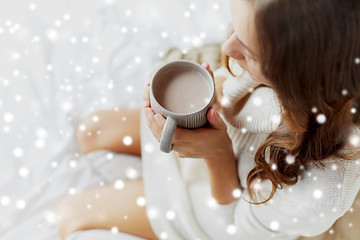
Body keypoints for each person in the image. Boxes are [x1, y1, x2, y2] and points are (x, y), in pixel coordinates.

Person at [56, 0, 360, 239]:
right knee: (90, 131)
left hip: (223, 205)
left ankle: (163, 196)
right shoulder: (283, 43)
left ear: (301, 79)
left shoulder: (317, 190)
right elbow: (232, 76)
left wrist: (216, 154)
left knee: (70, 215)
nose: (227, 50)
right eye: (235, 29)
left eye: (250, 53)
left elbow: (236, 230)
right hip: (217, 141)